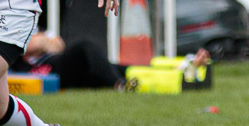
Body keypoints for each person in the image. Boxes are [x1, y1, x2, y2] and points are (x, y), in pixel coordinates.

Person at [12, 32, 210, 91]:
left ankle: (181, 68)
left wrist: (41, 43)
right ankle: (118, 84)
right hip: (54, 72)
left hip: (64, 67)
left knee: (120, 68)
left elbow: (56, 43)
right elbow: (27, 46)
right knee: (85, 46)